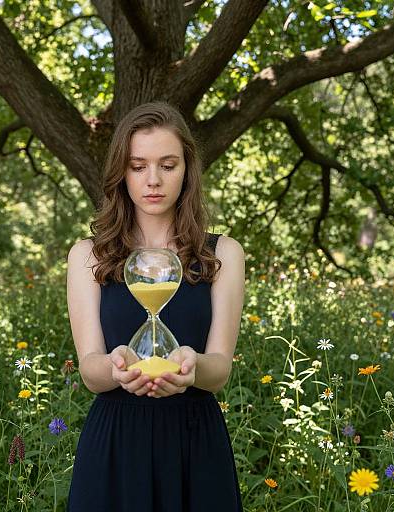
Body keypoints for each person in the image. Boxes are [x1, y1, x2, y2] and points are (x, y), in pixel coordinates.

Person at [65, 101, 246, 511]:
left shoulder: (223, 254)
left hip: (194, 439)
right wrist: (115, 366)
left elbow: (219, 368)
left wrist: (192, 366)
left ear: (187, 169)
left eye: (168, 165)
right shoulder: (89, 255)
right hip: (116, 439)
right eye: (137, 165)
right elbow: (91, 367)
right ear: (120, 172)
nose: (153, 180)